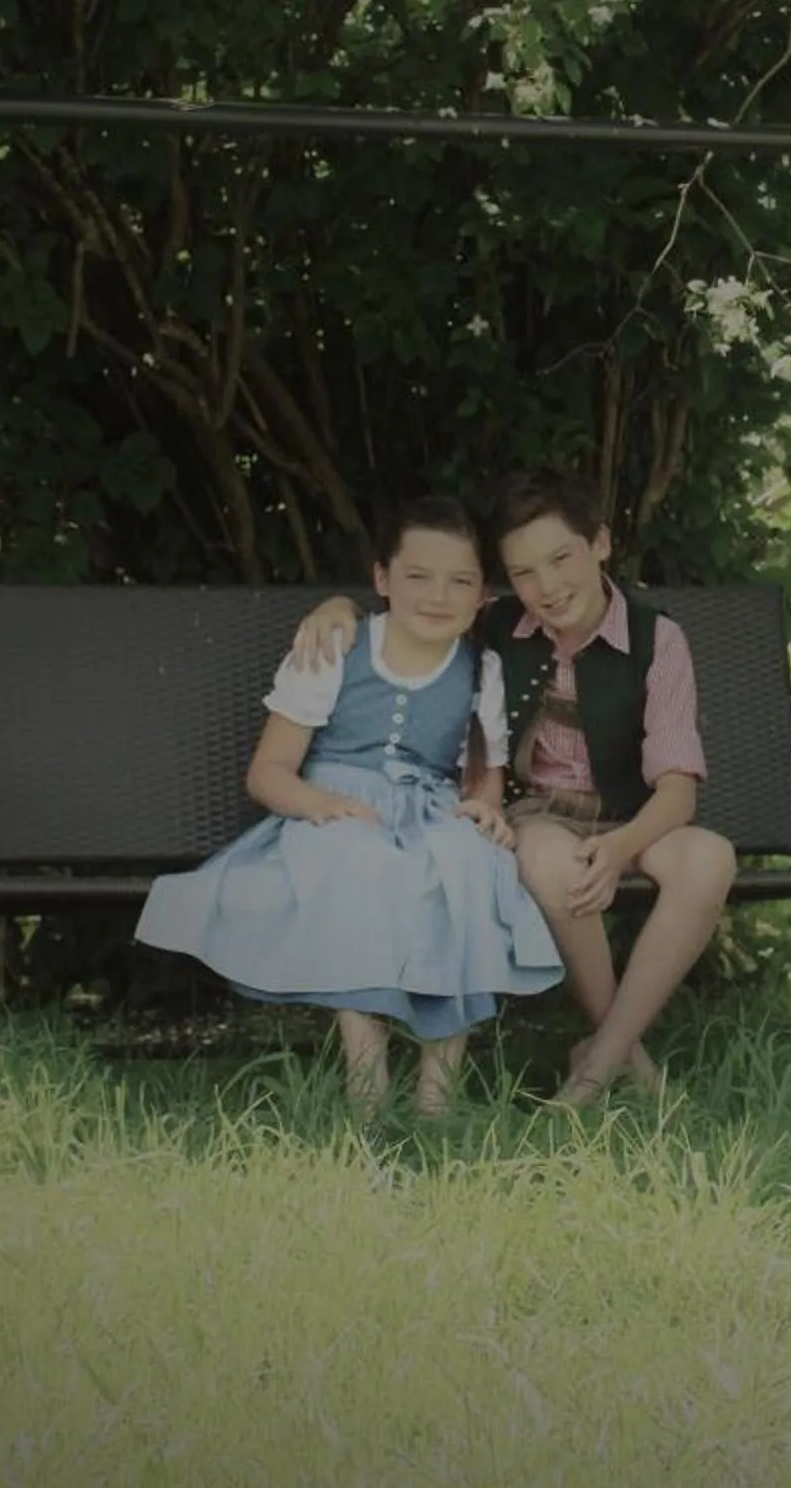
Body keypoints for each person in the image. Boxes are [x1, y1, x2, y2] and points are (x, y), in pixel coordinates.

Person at [293, 468, 738, 1109]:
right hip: (537, 817)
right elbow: (409, 619)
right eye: (525, 573)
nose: (549, 586)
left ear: (602, 545)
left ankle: (600, 1058)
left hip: (632, 822)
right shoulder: (496, 626)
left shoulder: (656, 639)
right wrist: (338, 608)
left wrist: (620, 849)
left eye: (562, 559)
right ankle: (625, 1061)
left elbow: (677, 794)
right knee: (552, 862)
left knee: (709, 859)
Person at [134, 497, 564, 1116]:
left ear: (481, 596)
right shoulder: (337, 647)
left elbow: (484, 779)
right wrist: (321, 804)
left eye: (461, 581)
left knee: (470, 863)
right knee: (359, 863)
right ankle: (368, 1080)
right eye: (418, 577)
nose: (439, 595)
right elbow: (267, 772)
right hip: (334, 808)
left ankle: (436, 1093)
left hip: (431, 810)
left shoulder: (480, 669)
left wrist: (487, 810)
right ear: (382, 580)